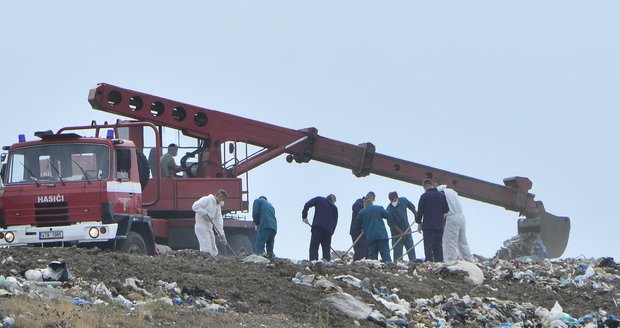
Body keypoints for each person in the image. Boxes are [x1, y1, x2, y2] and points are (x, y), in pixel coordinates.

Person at [436, 185, 474, 262]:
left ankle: (450, 262)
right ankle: (470, 261)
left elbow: (443, 210)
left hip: (451, 218)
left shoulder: (440, 194)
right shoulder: (451, 192)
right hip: (461, 217)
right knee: (463, 242)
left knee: (450, 243)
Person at [415, 179, 449, 262]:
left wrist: (419, 222)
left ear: (425, 186)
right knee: (438, 247)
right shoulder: (441, 195)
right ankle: (439, 263)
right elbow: (446, 210)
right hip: (439, 225)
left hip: (428, 226)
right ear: (432, 185)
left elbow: (420, 212)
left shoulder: (424, 196)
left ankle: (429, 263)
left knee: (428, 246)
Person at [356, 192, 392, 262]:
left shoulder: (361, 212)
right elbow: (388, 216)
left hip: (371, 237)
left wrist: (363, 227)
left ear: (364, 203)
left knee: (373, 258)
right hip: (382, 236)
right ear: (372, 202)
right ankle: (389, 268)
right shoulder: (379, 208)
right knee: (385, 255)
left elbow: (357, 226)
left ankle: (374, 270)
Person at [301, 194, 338, 261]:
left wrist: (304, 216)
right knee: (326, 249)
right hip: (328, 231)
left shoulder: (320, 199)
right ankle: (326, 264)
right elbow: (335, 222)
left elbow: (307, 204)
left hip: (318, 226)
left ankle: (313, 262)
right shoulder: (334, 208)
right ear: (333, 200)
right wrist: (331, 232)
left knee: (314, 247)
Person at [192, 189, 228, 256]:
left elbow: (218, 221)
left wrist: (221, 234)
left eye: (223, 198)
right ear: (217, 195)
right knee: (206, 247)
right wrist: (204, 213)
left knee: (213, 249)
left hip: (209, 227)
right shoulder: (207, 199)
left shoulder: (218, 207)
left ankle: (213, 263)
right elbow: (195, 206)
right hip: (201, 225)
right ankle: (205, 262)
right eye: (221, 197)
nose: (221, 199)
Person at [385, 191, 418, 262]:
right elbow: (391, 224)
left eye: (395, 199)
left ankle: (413, 262)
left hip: (407, 229)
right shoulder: (388, 210)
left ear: (397, 197)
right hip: (396, 233)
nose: (394, 201)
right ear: (390, 200)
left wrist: (416, 215)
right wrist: (400, 232)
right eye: (392, 200)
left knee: (410, 247)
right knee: (398, 251)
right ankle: (398, 264)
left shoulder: (403, 200)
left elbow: (411, 206)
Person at [350, 196, 368, 260]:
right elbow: (355, 207)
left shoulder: (366, 206)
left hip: (363, 232)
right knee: (359, 251)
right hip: (356, 231)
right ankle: (356, 263)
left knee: (364, 250)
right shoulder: (359, 202)